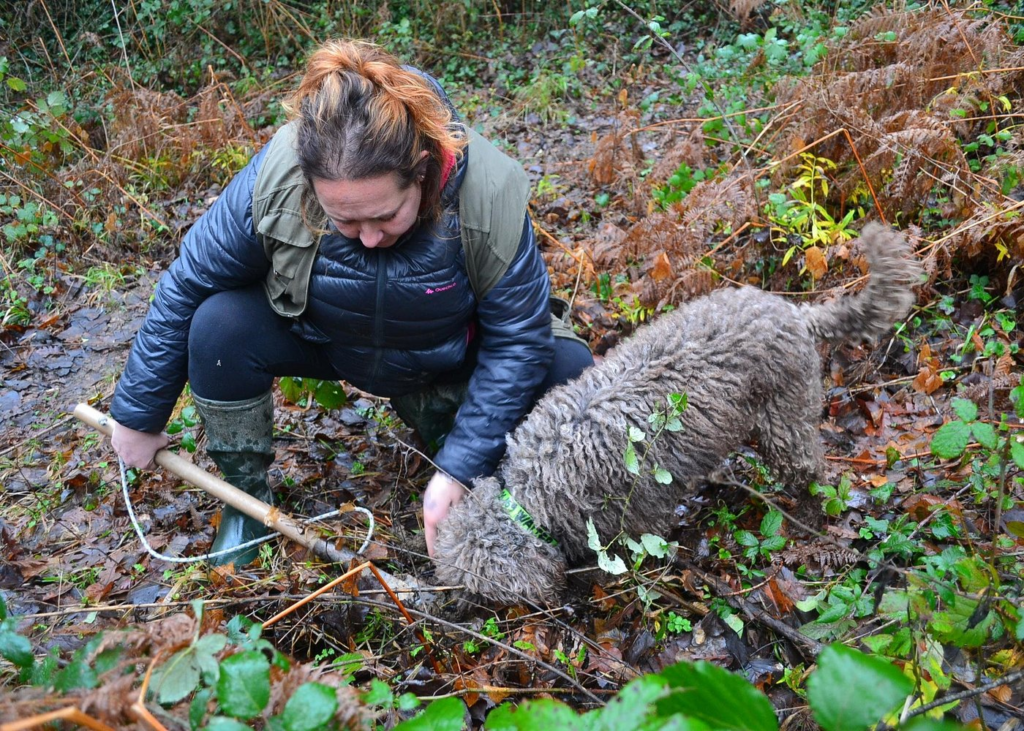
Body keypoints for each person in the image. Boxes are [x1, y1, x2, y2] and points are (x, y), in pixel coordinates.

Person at [109, 39, 593, 566]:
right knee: (218, 324)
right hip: (330, 339)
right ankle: (245, 500)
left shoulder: (487, 193)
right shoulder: (278, 176)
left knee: (568, 366)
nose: (366, 238)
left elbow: (518, 340)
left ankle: (471, 448)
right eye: (343, 221)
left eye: (385, 217)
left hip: (447, 353)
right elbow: (189, 281)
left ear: (425, 172)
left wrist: (457, 469)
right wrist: (138, 412)